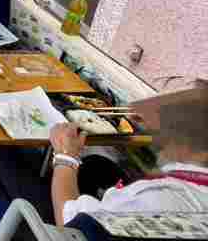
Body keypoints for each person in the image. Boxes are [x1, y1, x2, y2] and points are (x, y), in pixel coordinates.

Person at [48, 86, 208, 227]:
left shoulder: (160, 200)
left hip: (77, 231)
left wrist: (65, 155)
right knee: (95, 166)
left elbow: (69, 222)